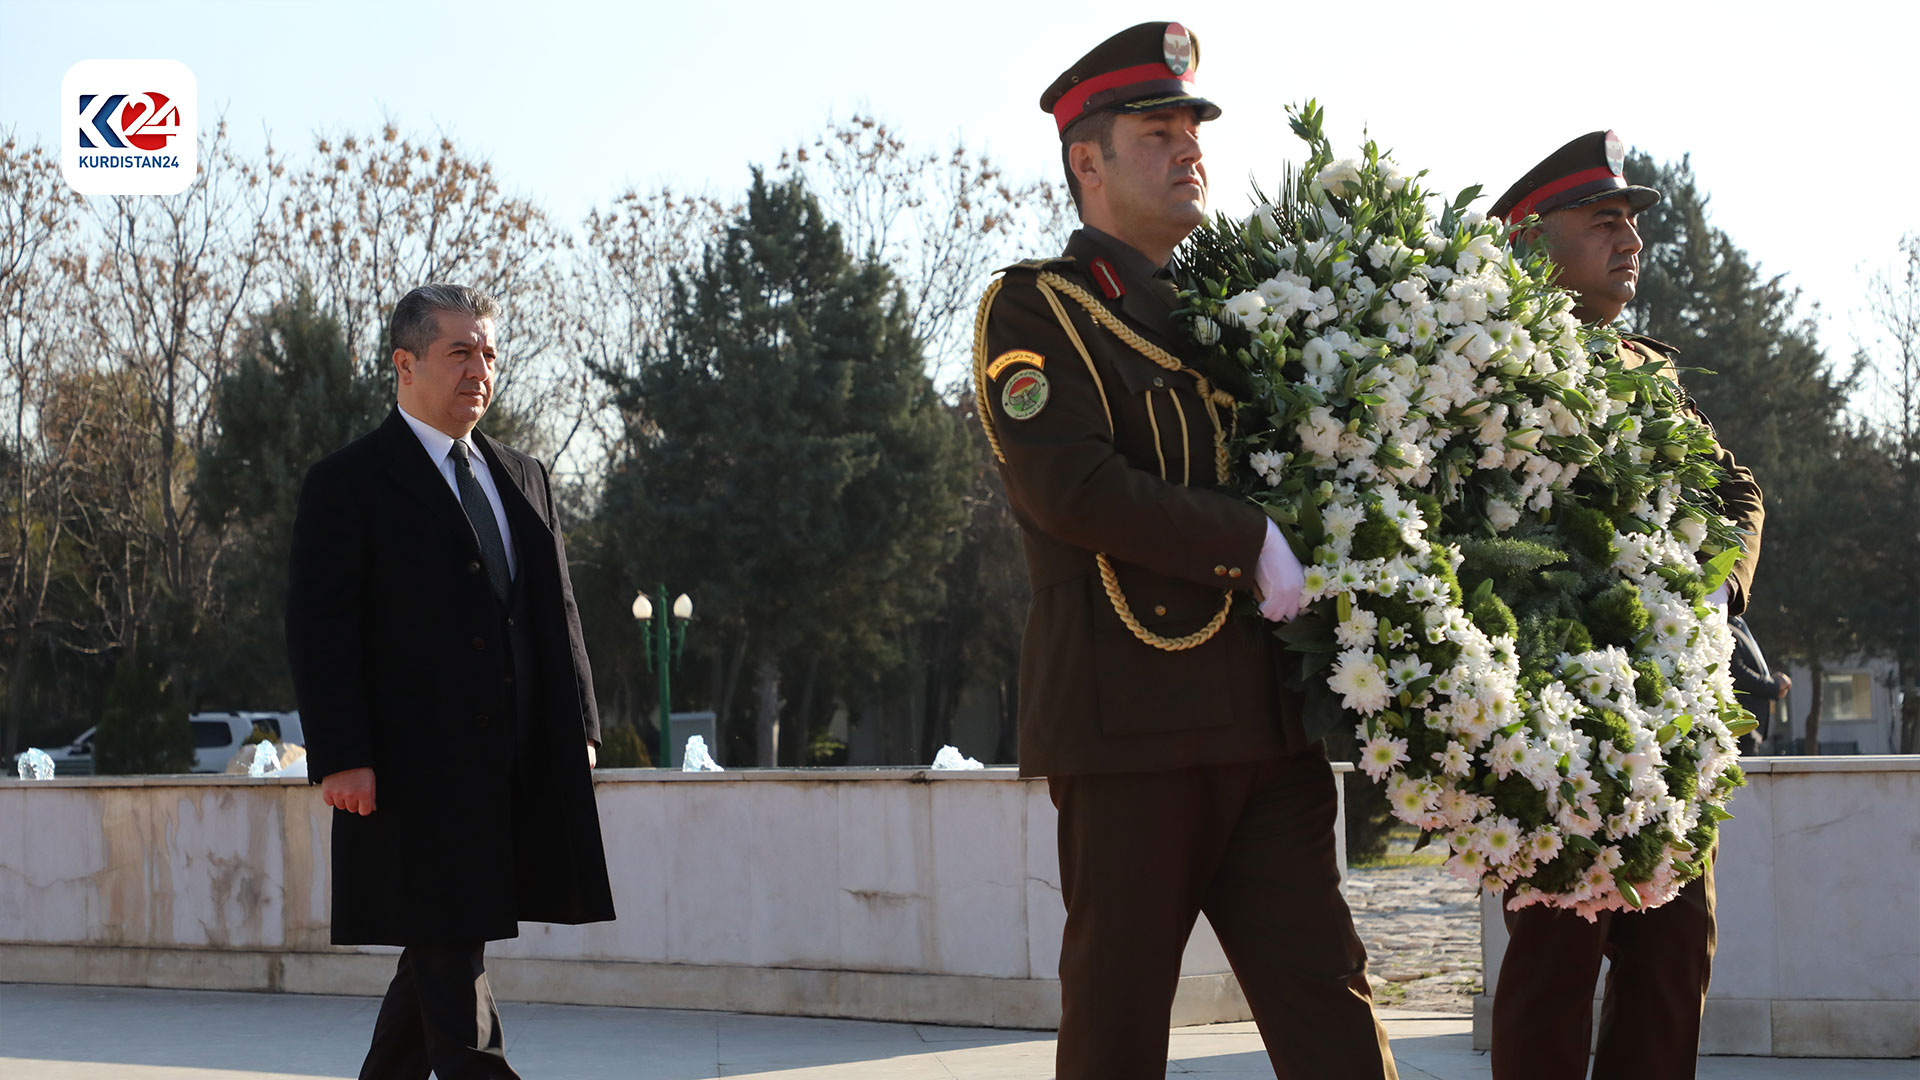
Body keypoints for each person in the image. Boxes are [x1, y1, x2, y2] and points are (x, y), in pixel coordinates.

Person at [972, 21, 1396, 1080]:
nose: (1188, 148)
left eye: (1193, 128)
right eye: (1155, 130)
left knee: (1335, 1019)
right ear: (1087, 162)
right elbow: (1071, 486)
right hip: (1132, 733)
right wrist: (1246, 536)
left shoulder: (1238, 315)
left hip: (1266, 730)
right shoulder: (1040, 310)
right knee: (1116, 1033)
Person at [1486, 133, 1766, 1080]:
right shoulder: (1497, 367)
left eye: (1633, 220)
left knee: (1672, 958)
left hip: (1672, 717)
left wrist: (1718, 589)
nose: (1630, 237)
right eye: (1603, 219)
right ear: (1532, 243)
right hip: (1561, 716)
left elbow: (1737, 492)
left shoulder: (1652, 368)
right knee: (1555, 968)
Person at [286, 284, 614, 1080]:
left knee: (443, 938)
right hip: (407, 772)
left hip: (510, 767)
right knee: (448, 945)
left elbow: (557, 611)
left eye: (489, 353)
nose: (480, 369)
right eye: (459, 352)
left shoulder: (525, 475)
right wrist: (341, 755)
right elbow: (320, 631)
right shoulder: (349, 483)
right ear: (405, 365)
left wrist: (580, 726)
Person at [1728, 613, 1790, 753]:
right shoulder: (1724, 623)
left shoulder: (1737, 622)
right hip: (1740, 728)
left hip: (1751, 731)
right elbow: (1737, 673)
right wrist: (1773, 686)